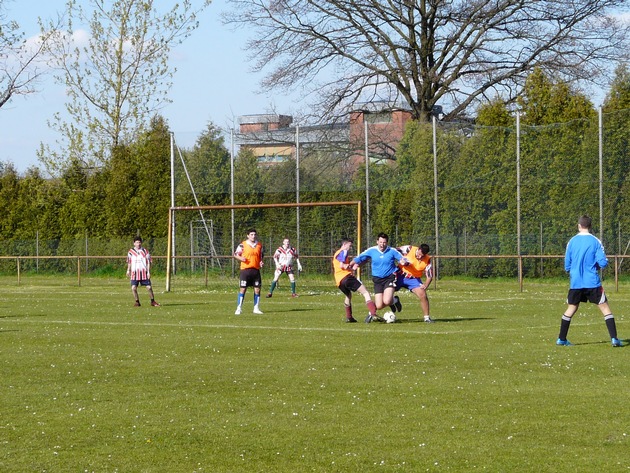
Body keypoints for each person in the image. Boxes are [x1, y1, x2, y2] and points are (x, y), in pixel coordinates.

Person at [556, 215, 622, 347]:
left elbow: (567, 265)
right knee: (605, 308)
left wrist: (573, 270)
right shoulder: (595, 241)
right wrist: (595, 266)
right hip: (592, 282)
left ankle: (561, 339)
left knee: (571, 308)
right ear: (590, 226)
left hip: (576, 282)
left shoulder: (572, 242)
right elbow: (603, 262)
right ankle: (614, 339)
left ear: (579, 226)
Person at [351, 232, 408, 323]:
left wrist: (404, 261)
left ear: (387, 242)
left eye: (384, 242)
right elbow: (359, 258)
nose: (382, 244)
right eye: (381, 242)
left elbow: (403, 258)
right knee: (379, 305)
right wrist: (350, 265)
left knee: (387, 300)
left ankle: (392, 301)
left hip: (390, 277)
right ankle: (394, 301)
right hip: (377, 279)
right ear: (377, 241)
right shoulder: (371, 250)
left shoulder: (392, 251)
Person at [333, 238, 379, 323]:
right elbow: (342, 265)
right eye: (350, 246)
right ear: (344, 245)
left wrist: (353, 266)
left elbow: (343, 266)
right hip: (346, 278)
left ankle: (349, 317)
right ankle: (373, 313)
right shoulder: (343, 251)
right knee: (365, 292)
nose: (350, 248)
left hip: (339, 281)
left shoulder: (337, 253)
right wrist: (345, 266)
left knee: (348, 296)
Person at [395, 243, 434, 323]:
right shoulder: (408, 249)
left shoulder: (427, 259)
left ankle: (427, 318)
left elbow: (429, 276)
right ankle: (373, 313)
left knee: (423, 294)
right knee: (386, 292)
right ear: (418, 249)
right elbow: (393, 251)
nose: (420, 257)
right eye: (419, 254)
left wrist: (425, 285)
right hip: (400, 275)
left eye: (422, 256)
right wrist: (401, 259)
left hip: (413, 279)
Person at [233, 228, 264, 315]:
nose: (253, 236)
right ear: (248, 235)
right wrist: (240, 258)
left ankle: (256, 308)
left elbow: (260, 256)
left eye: (254, 234)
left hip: (256, 270)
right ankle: (239, 308)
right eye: (251, 234)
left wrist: (261, 262)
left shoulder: (259, 245)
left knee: (257, 289)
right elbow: (235, 254)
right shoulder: (243, 245)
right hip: (245, 270)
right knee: (243, 289)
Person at [126, 236, 160, 307]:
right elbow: (129, 262)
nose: (138, 244)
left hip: (143, 273)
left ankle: (152, 301)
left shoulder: (145, 251)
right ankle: (137, 302)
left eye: (139, 242)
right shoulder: (130, 252)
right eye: (137, 242)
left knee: (149, 287)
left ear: (141, 243)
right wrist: (128, 270)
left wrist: (148, 272)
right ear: (134, 243)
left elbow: (148, 262)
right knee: (133, 288)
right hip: (134, 273)